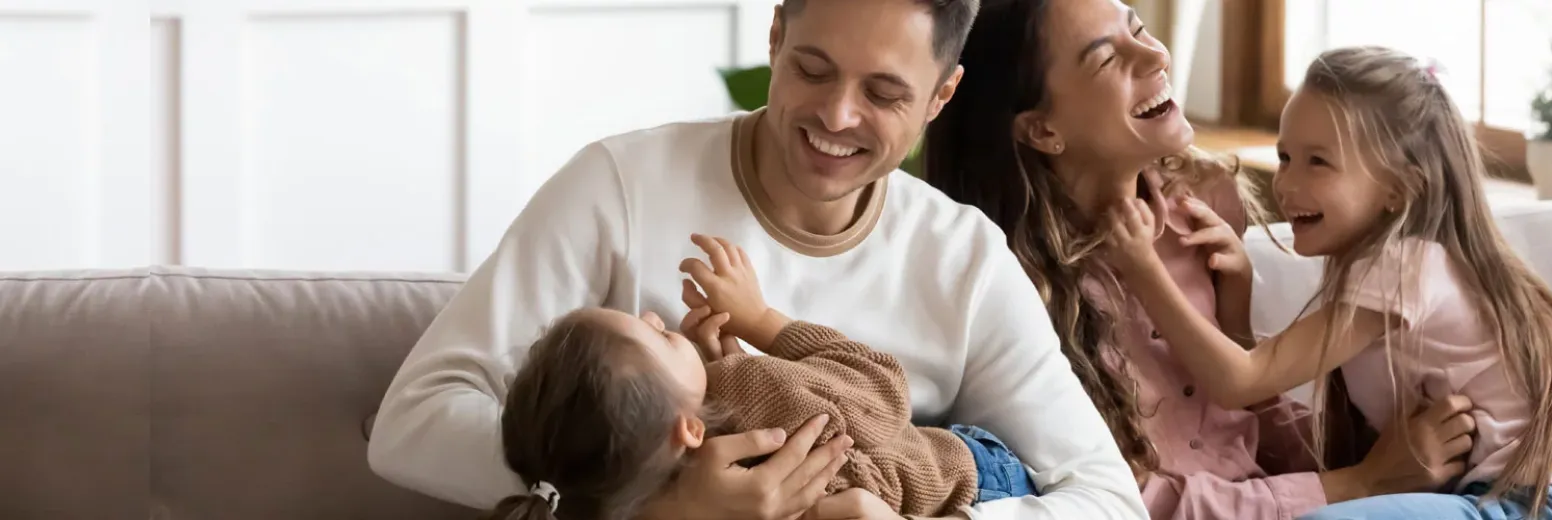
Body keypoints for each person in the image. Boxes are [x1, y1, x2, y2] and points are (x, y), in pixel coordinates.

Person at [367, 0, 1147, 518]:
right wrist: (664, 503)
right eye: (812, 69)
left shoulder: (963, 259)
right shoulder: (619, 186)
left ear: (941, 96)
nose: (836, 116)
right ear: (774, 36)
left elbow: (1108, 498)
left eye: (883, 93)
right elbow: (411, 423)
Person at [921, 1, 1484, 519]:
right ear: (1043, 130)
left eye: (1138, 28)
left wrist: (1379, 457)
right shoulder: (1014, 289)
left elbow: (1244, 433)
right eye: (1108, 57)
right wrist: (1358, 484)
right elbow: (1133, 502)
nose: (1156, 53)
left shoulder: (1202, 218)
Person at [1102, 46, 1552, 520]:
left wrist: (1142, 267)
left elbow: (1241, 381)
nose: (1286, 184)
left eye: (1318, 162)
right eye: (1285, 156)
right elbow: (1259, 383)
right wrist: (1236, 307)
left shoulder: (1402, 267)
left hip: (1539, 502)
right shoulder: (1403, 268)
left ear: (1400, 188)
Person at [483, 235, 1040, 520]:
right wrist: (763, 324)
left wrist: (715, 365)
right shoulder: (755, 397)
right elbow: (881, 387)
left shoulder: (638, 487)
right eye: (655, 335)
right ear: (689, 431)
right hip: (975, 481)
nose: (653, 315)